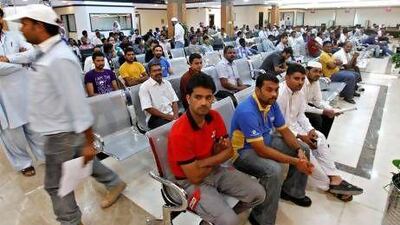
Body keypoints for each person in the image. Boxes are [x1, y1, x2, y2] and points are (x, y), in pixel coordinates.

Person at [6, 4, 127, 225]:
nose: (21, 29)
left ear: (39, 26)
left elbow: (78, 104)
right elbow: (29, 55)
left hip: (61, 133)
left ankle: (71, 221)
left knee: (55, 185)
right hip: (61, 131)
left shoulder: (60, 59)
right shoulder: (45, 50)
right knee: (81, 161)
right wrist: (9, 59)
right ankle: (113, 181)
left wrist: (89, 141)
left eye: (25, 24)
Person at [168, 73, 266, 225]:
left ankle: (211, 221)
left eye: (208, 97)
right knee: (230, 222)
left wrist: (203, 162)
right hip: (189, 182)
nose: (204, 102)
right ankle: (220, 219)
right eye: (198, 97)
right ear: (188, 99)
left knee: (259, 194)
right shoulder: (179, 132)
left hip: (214, 171)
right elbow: (195, 177)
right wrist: (217, 156)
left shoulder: (214, 116)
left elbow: (230, 151)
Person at [231, 73, 314, 225]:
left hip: (265, 140)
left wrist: (298, 151)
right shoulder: (247, 111)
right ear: (257, 90)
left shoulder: (271, 104)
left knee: (304, 148)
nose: (274, 94)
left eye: (276, 90)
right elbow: (261, 150)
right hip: (243, 152)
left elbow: (284, 130)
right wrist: (296, 161)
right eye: (269, 90)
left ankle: (291, 191)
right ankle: (261, 218)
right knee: (273, 171)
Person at [277, 63, 363, 201]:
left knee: (320, 137)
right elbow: (279, 125)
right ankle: (329, 185)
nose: (300, 82)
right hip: (283, 133)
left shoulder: (298, 93)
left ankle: (334, 177)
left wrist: (310, 130)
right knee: (307, 151)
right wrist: (301, 136)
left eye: (302, 79)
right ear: (287, 78)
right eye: (296, 78)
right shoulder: (280, 94)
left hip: (296, 127)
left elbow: (300, 115)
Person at [0, 8, 44, 177]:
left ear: (2, 18)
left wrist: (10, 59)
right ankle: (23, 163)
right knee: (12, 134)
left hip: (24, 90)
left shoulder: (14, 36)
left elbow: (33, 53)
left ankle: (43, 156)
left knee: (35, 128)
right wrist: (21, 64)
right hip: (3, 96)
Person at [139, 62, 179, 129]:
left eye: (159, 70)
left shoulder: (167, 83)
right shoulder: (144, 87)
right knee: (173, 128)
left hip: (171, 113)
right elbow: (148, 108)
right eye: (154, 71)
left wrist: (176, 116)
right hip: (155, 118)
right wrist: (168, 117)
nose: (158, 72)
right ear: (149, 73)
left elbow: (174, 101)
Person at [303, 62, 337, 138]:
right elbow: (303, 106)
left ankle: (322, 140)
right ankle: (314, 141)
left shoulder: (316, 81)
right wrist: (323, 111)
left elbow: (318, 101)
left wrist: (331, 109)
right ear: (307, 71)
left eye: (320, 72)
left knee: (330, 116)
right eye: (315, 71)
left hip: (307, 105)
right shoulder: (301, 81)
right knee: (317, 118)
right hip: (300, 108)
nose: (318, 74)